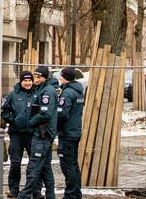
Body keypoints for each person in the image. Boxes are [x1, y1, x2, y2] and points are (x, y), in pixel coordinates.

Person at [18, 65, 58, 199]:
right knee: (46, 169)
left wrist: (31, 122)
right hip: (41, 133)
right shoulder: (42, 89)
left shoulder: (47, 91)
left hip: (43, 134)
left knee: (33, 168)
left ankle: (23, 196)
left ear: (45, 77)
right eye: (35, 76)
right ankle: (50, 196)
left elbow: (45, 114)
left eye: (39, 77)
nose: (36, 79)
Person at [1, 71, 35, 198]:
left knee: (34, 164)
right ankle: (13, 189)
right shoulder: (13, 95)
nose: (27, 83)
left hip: (32, 134)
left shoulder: (37, 94)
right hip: (16, 135)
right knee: (15, 163)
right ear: (21, 82)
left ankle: (33, 189)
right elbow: (4, 112)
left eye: (29, 80)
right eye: (25, 81)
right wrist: (13, 120)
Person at [57, 67, 85, 199]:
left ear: (65, 77)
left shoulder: (67, 93)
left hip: (67, 133)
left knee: (67, 165)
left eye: (61, 76)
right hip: (75, 131)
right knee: (73, 164)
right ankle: (76, 193)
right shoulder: (79, 91)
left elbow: (62, 113)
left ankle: (70, 195)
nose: (59, 78)